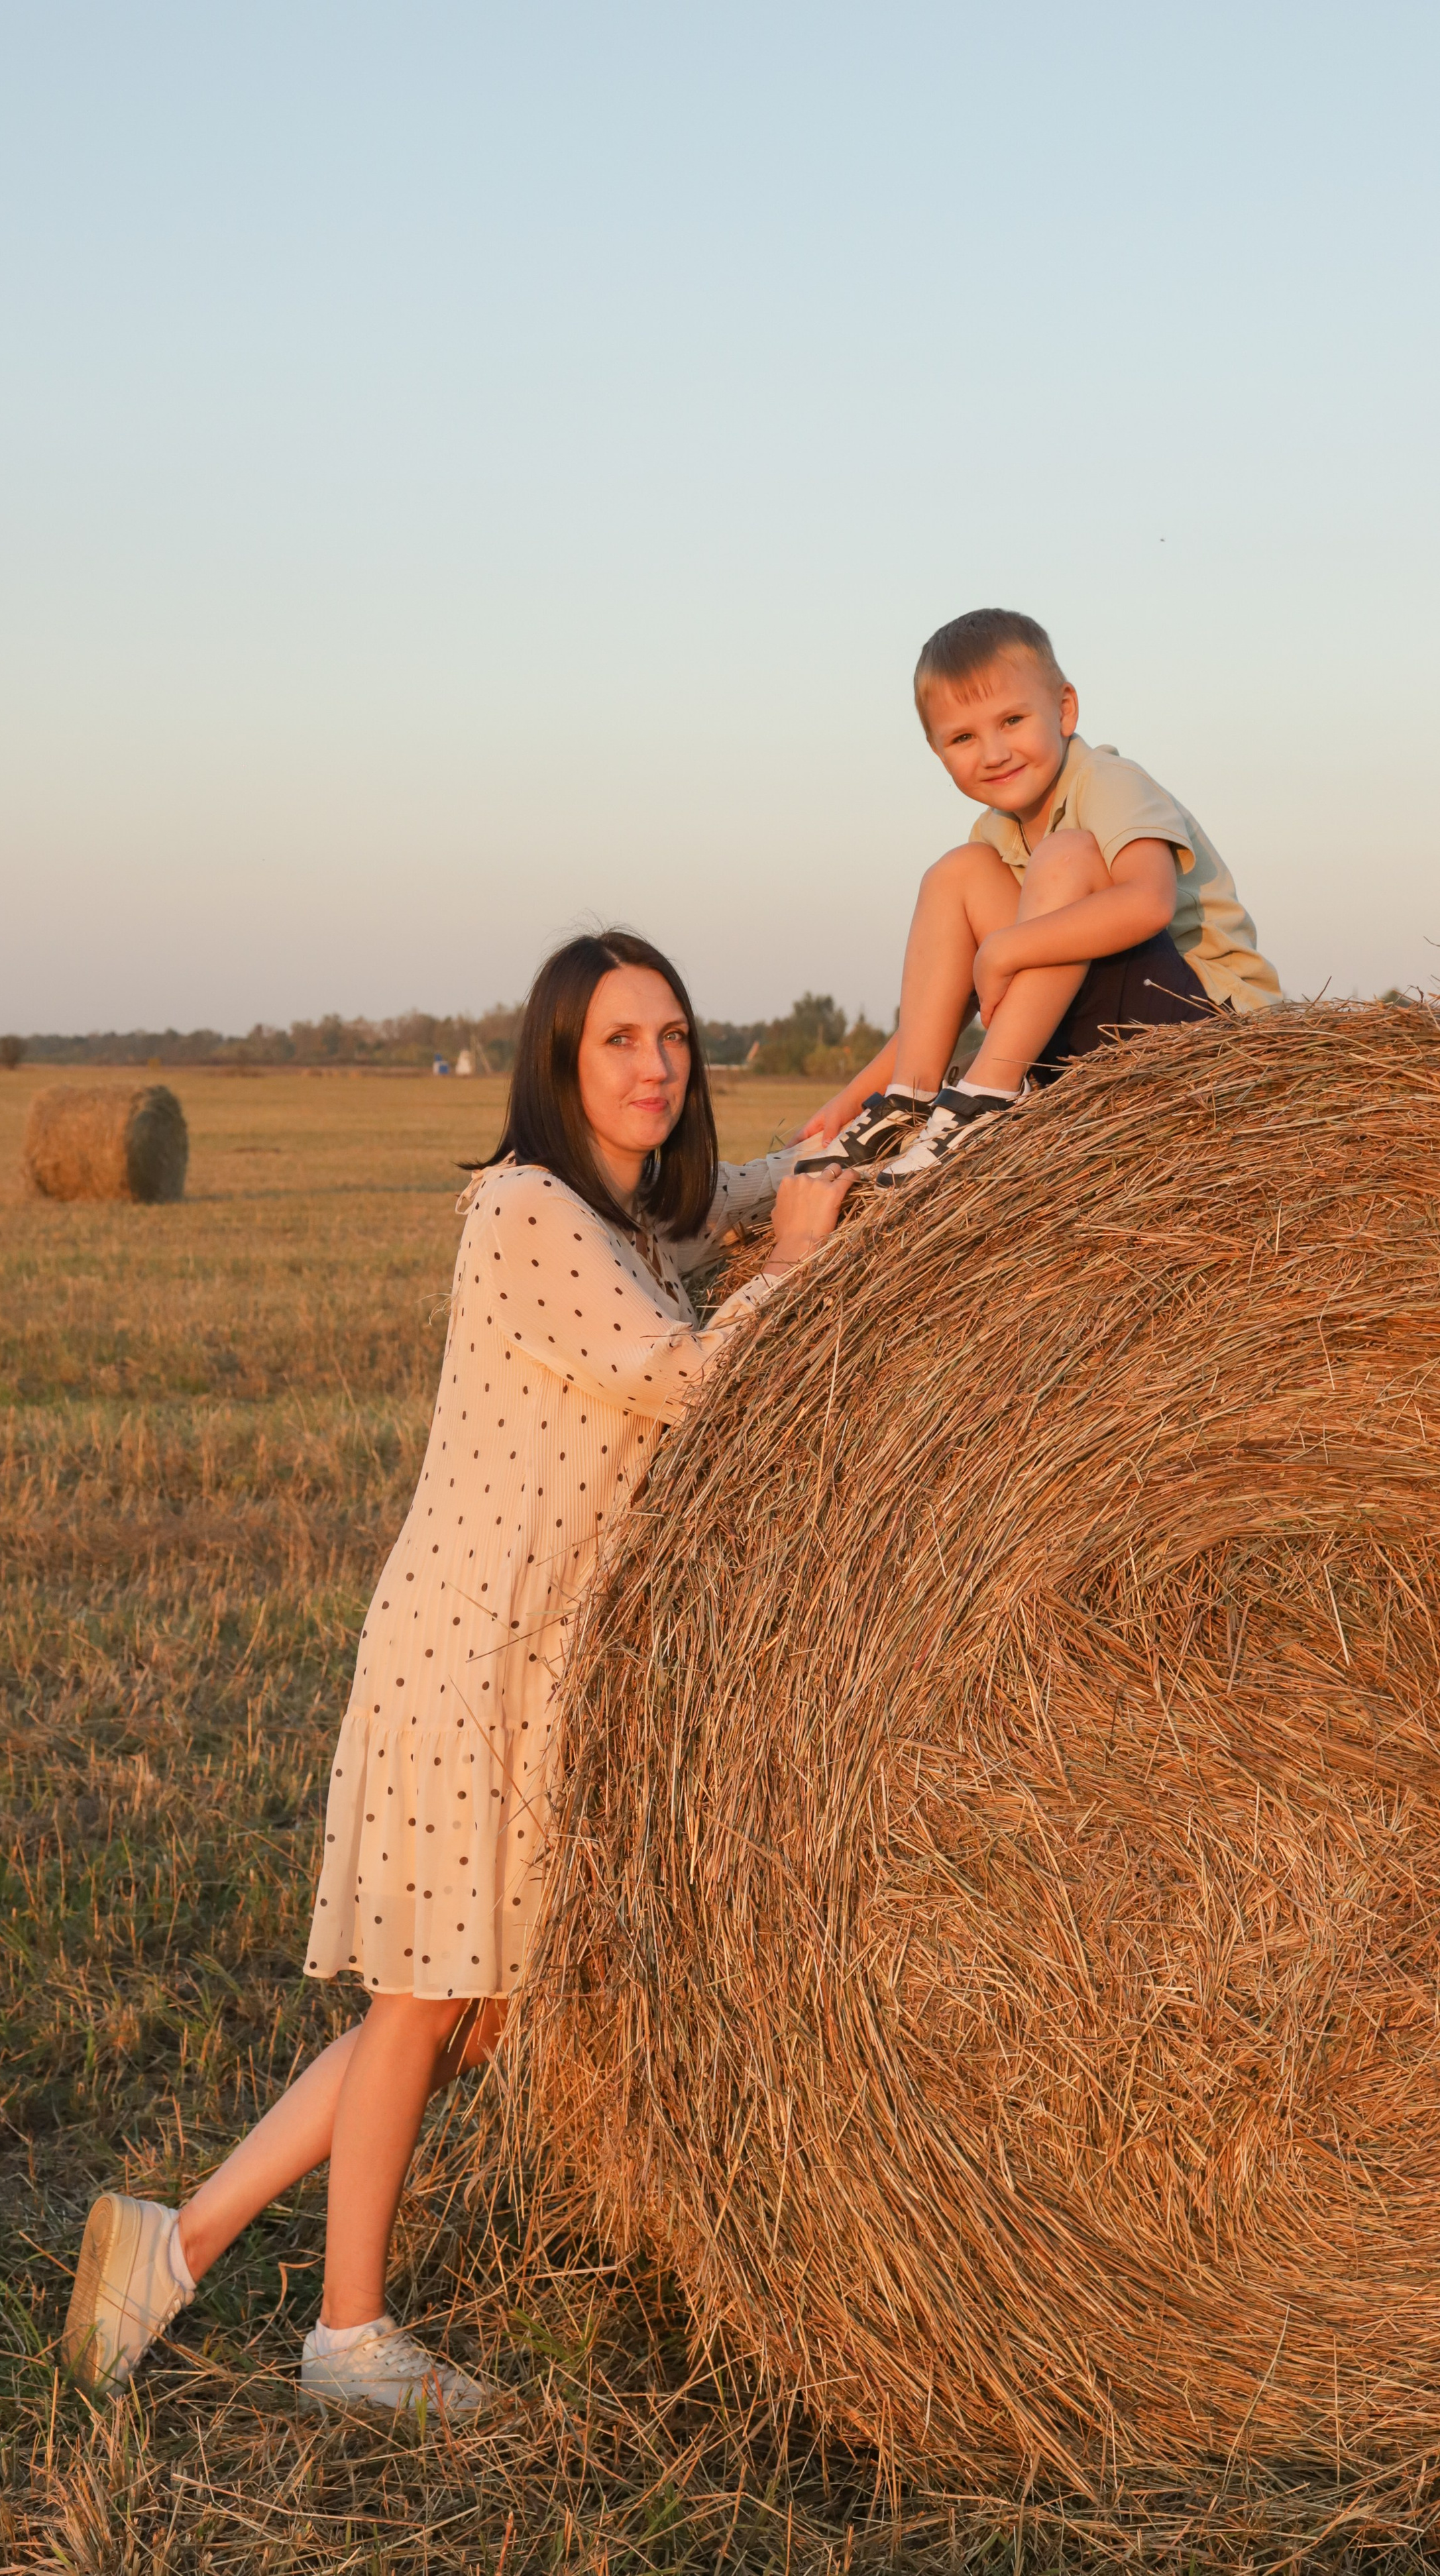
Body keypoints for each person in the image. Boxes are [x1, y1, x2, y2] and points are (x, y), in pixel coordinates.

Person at [62, 930, 853, 2413]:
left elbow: (732, 1209)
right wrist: (802, 1255)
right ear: (556, 1062)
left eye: (674, 1039)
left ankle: (179, 2240)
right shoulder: (522, 1208)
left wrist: (872, 1162)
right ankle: (344, 2340)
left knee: (468, 2012)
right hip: (470, 1650)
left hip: (544, 1655)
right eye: (619, 1040)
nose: (655, 1067)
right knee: (433, 2001)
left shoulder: (625, 1222)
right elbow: (688, 1375)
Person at [795, 608, 1280, 1185]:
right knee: (956, 872)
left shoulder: (1106, 780)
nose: (994, 752)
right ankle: (915, 1108)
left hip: (1208, 1032)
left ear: (1065, 709)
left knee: (1066, 855)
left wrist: (1002, 950)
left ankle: (984, 1105)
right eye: (964, 737)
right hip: (1097, 1037)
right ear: (937, 751)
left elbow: (1148, 901)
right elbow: (941, 998)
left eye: (1012, 720)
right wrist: (855, 1099)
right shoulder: (993, 835)